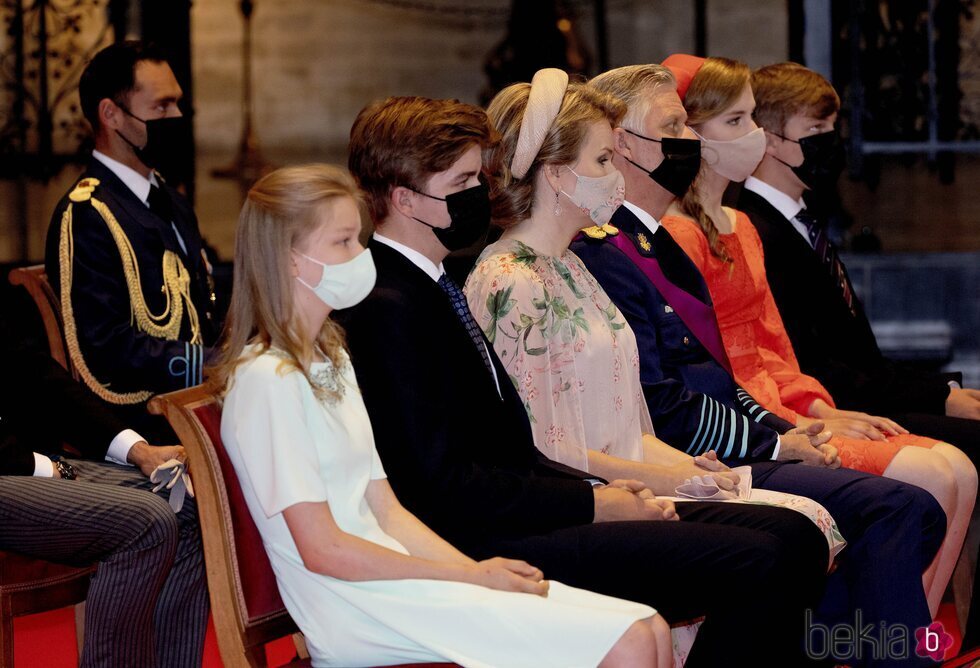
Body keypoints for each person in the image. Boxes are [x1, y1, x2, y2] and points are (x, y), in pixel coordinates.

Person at [466, 66, 947, 666]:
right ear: (559, 176)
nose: (616, 176)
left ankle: (874, 654)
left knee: (820, 524)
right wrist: (675, 481)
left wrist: (698, 469)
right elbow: (546, 448)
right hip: (589, 495)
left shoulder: (572, 267)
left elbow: (636, 417)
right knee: (797, 536)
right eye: (602, 162)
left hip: (641, 469)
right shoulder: (509, 278)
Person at [336, 94, 837, 667]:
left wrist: (610, 493)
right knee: (763, 559)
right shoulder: (387, 304)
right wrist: (596, 504)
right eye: (466, 180)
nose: (486, 191)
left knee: (792, 541)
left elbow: (509, 445)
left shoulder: (432, 281)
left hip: (527, 507)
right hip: (486, 538)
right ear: (404, 199)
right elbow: (442, 482)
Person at [213, 163, 669, 668]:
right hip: (354, 603)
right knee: (628, 638)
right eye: (342, 242)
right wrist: (468, 577)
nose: (360, 257)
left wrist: (479, 570)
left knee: (650, 626)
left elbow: (386, 511)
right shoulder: (265, 380)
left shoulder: (331, 357)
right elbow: (324, 550)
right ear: (291, 260)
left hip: (402, 577)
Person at [659, 53, 975, 619]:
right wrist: (800, 424)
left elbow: (776, 349)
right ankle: (875, 640)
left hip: (784, 402)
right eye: (737, 122)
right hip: (750, 419)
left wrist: (822, 409)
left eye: (754, 119)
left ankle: (903, 634)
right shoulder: (677, 235)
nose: (753, 136)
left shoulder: (743, 224)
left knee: (957, 470)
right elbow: (713, 370)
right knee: (932, 474)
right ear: (691, 135)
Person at [737, 61, 980, 443]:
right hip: (830, 410)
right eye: (816, 129)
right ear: (767, 140)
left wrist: (946, 391)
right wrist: (940, 397)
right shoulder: (755, 229)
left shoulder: (803, 220)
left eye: (835, 128)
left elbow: (862, 357)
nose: (832, 141)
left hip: (864, 396)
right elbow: (812, 364)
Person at [0, 323, 208, 668]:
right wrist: (41, 467)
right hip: (12, 465)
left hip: (25, 459)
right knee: (146, 523)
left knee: (184, 501)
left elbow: (36, 373)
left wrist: (138, 450)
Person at [44, 41, 219, 440]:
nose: (177, 116)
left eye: (178, 104)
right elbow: (107, 345)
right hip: (147, 418)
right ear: (112, 115)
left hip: (196, 401)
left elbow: (200, 305)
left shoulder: (169, 198)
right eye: (161, 107)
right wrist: (208, 362)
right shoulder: (88, 214)